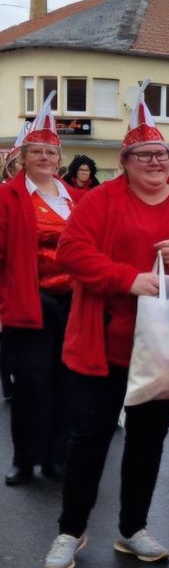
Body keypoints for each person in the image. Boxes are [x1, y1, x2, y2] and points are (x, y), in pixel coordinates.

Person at [42, 87, 169, 568]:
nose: (156, 162)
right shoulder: (101, 200)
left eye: (163, 155)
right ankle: (70, 531)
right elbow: (71, 250)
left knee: (148, 441)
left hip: (166, 350)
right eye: (145, 155)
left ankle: (132, 529)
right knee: (89, 437)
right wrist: (126, 279)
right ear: (125, 161)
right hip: (104, 344)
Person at [0, 94, 80, 485]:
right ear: (23, 157)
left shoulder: (76, 199)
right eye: (37, 151)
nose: (45, 158)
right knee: (30, 384)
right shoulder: (8, 197)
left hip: (73, 305)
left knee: (67, 381)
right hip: (29, 302)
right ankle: (24, 458)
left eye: (51, 151)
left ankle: (56, 457)